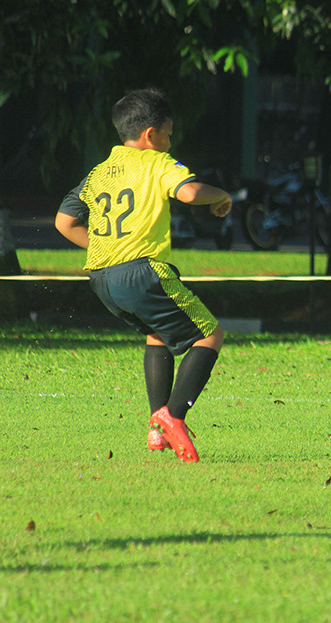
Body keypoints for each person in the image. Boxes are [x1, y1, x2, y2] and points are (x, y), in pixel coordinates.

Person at [55, 88, 232, 463]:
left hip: (102, 279)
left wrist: (105, 250)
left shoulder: (98, 173)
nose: (169, 141)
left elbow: (64, 222)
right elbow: (189, 193)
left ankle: (156, 428)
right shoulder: (157, 162)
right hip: (142, 273)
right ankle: (174, 415)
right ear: (151, 134)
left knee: (158, 333)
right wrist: (220, 196)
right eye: (168, 133)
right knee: (210, 335)